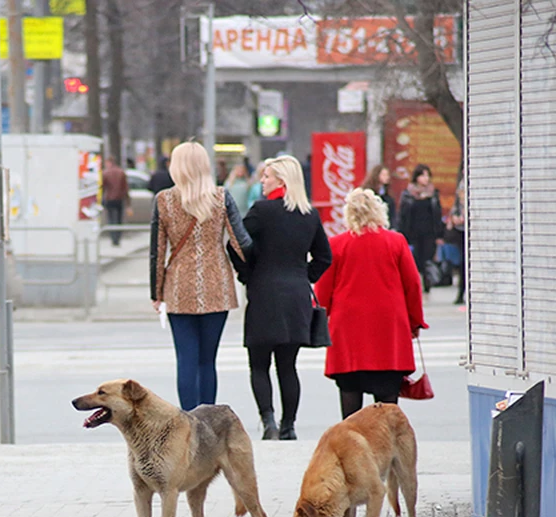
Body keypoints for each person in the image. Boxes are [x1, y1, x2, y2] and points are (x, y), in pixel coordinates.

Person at [230, 156, 332, 440]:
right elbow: (325, 257)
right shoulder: (309, 214)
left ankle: (268, 421)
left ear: (282, 182)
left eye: (267, 176)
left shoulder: (261, 211)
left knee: (259, 364)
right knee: (288, 366)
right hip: (296, 296)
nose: (262, 180)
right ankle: (289, 426)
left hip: (264, 294)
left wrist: (247, 274)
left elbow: (234, 243)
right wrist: (305, 276)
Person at [149, 141, 252, 411]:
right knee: (208, 360)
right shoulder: (221, 197)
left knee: (186, 359)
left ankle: (189, 423)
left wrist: (156, 293)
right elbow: (241, 243)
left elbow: (157, 252)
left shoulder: (164, 200)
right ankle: (209, 423)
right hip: (217, 283)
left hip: (178, 285)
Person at [314, 187, 427, 421]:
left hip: (348, 334)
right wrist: (414, 321)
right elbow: (413, 285)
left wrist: (320, 320)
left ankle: (354, 452)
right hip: (388, 333)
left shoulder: (336, 245)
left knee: (351, 412)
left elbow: (323, 292)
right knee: (387, 413)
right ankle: (386, 455)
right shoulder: (396, 242)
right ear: (379, 212)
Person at [397, 163, 444, 293]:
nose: (425, 178)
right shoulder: (408, 194)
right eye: (423, 175)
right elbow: (403, 215)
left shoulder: (433, 194)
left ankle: (427, 284)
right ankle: (416, 284)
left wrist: (440, 234)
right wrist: (402, 233)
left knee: (427, 259)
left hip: (429, 232)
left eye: (427, 175)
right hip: (413, 232)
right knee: (415, 260)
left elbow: (438, 214)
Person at [102, 156, 130, 246]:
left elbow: (102, 187)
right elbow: (125, 188)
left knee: (110, 219)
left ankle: (113, 238)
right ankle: (118, 238)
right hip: (119, 198)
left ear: (109, 162)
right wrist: (128, 202)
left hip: (109, 199)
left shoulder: (105, 173)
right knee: (118, 219)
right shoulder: (121, 172)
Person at [447, 180, 466, 305]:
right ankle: (461, 292)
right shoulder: (461, 183)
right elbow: (455, 208)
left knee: (465, 263)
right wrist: (454, 217)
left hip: (468, 230)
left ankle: (463, 291)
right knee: (461, 263)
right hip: (459, 231)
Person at [362, 164, 397, 229]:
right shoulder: (367, 194)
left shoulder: (388, 196)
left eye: (387, 175)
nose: (386, 177)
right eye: (384, 175)